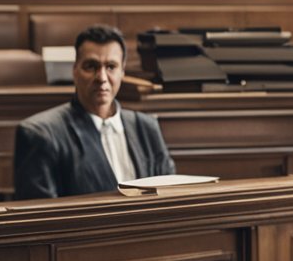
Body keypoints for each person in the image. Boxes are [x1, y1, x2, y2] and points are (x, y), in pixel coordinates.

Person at [14, 25, 175, 199]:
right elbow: (40, 218)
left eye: (111, 67)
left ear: (122, 71)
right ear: (75, 70)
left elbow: (169, 198)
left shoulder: (147, 127)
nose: (102, 78)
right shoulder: (40, 134)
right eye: (91, 66)